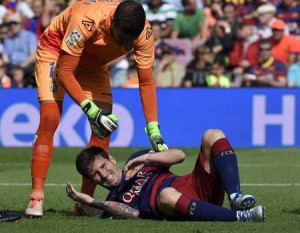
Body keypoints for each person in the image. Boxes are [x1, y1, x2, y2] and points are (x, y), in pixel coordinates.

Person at [25, 0, 168, 218]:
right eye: (123, 39)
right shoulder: (87, 18)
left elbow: (147, 82)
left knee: (103, 128)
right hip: (57, 53)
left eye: (132, 40)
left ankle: (84, 204)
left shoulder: (144, 32)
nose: (128, 46)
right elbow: (64, 72)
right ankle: (36, 196)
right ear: (112, 23)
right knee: (50, 117)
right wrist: (90, 109)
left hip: (92, 65)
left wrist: (153, 129)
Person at [66, 129, 265, 222]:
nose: (103, 174)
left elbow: (179, 156)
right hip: (176, 204)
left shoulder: (137, 159)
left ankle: (235, 198)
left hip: (195, 185)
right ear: (92, 180)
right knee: (166, 195)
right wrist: (92, 201)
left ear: (110, 158)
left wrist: (145, 157)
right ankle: (241, 217)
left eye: (102, 166)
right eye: (96, 175)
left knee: (212, 135)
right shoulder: (113, 201)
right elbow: (133, 214)